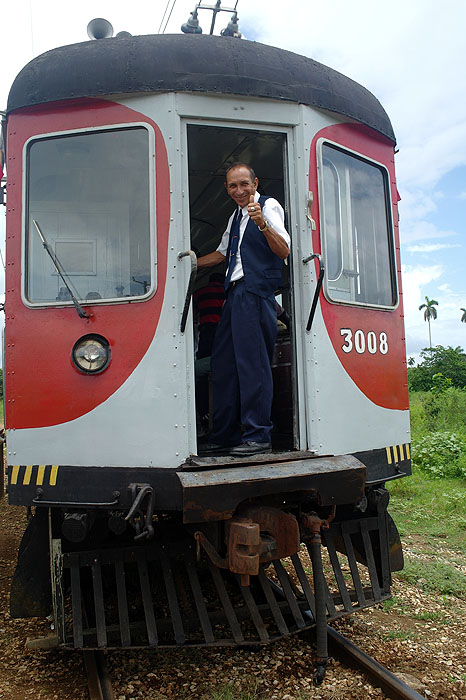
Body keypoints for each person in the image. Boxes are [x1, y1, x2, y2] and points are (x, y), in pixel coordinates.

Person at [197, 163, 290, 456]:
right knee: (223, 366)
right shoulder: (235, 216)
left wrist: (262, 222)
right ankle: (224, 435)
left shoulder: (268, 206)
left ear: (255, 183)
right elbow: (222, 253)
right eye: (233, 186)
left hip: (255, 293)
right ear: (226, 188)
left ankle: (258, 436)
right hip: (234, 295)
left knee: (253, 366)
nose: (239, 191)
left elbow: (284, 249)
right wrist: (188, 261)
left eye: (244, 184)